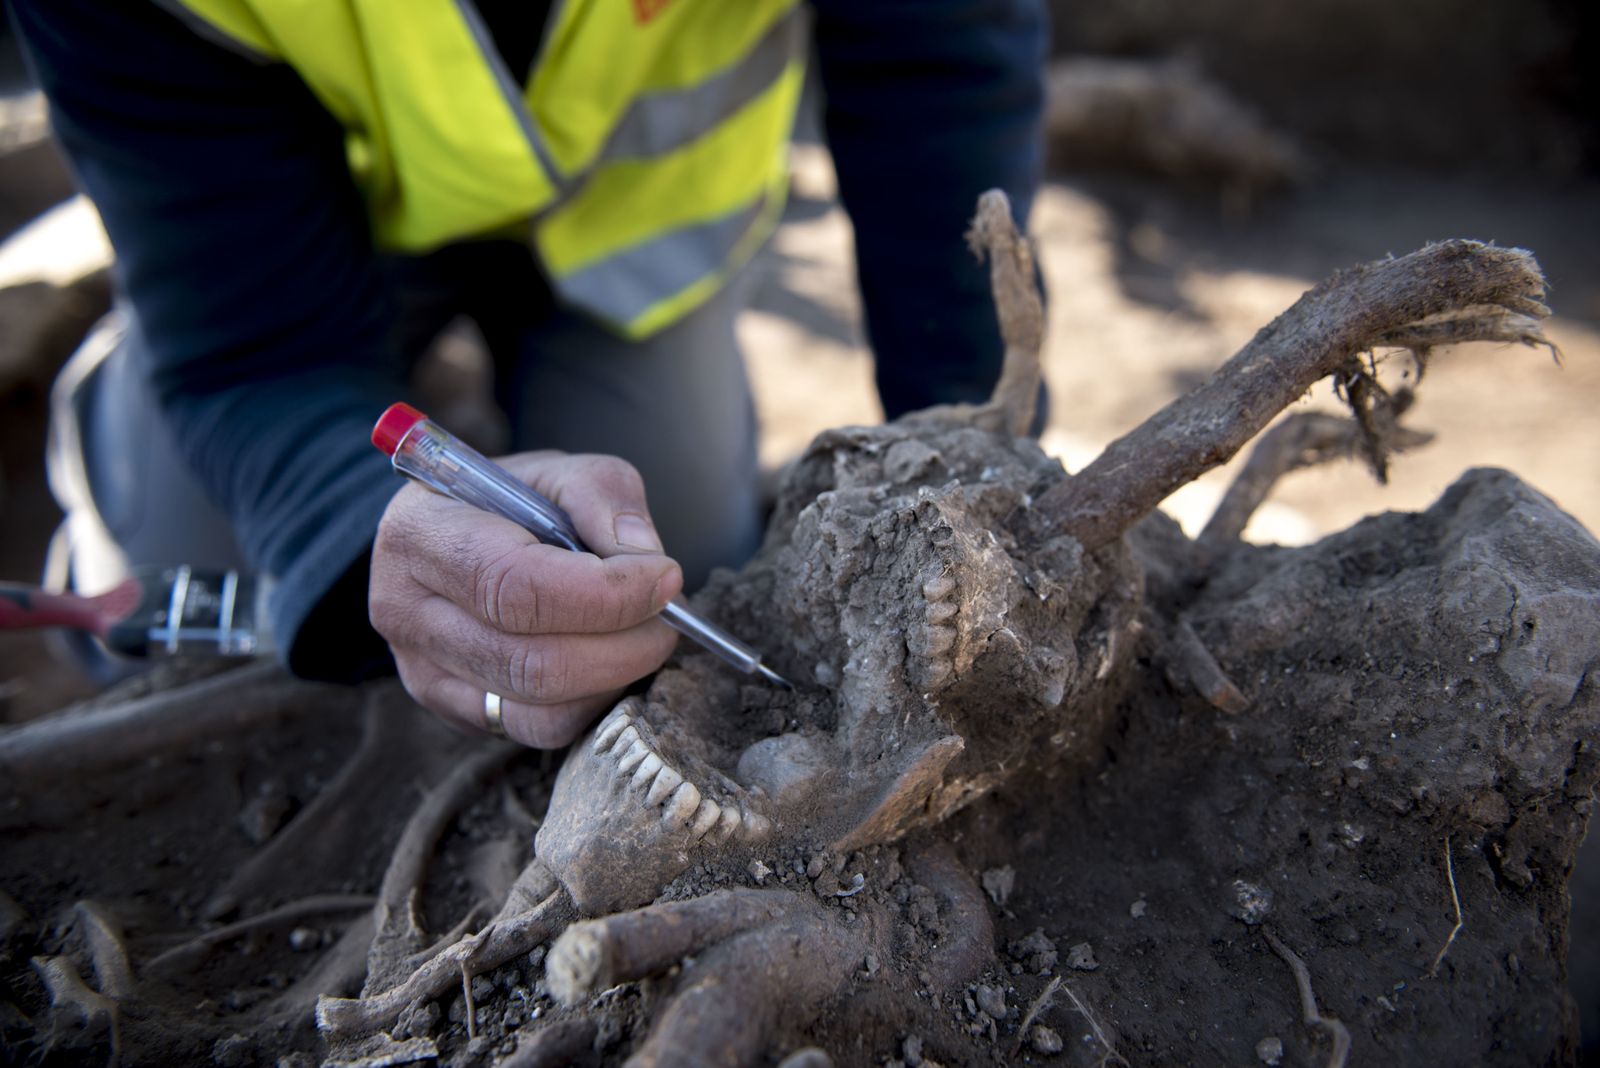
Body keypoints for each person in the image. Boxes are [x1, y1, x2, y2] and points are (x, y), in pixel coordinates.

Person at [10, 0, 1045, 747]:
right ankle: (117, 442)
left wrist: (968, 427)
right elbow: (252, 355)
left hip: (632, 245)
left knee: (661, 582)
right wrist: (343, 514)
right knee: (199, 561)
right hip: (299, 247)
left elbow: (939, 60)